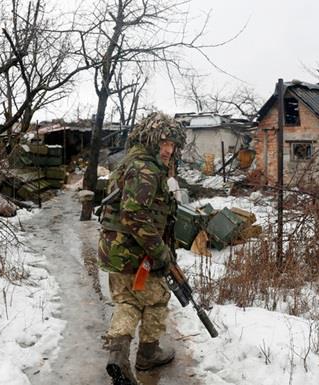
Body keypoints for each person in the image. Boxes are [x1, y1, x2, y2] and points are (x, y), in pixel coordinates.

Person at [97, 112, 186, 385]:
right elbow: (134, 214)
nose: (169, 149)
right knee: (157, 299)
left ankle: (118, 356)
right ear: (149, 139)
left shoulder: (131, 163)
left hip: (117, 251)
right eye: (164, 142)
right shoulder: (145, 169)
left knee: (127, 301)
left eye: (173, 144)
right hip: (136, 253)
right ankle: (148, 354)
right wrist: (160, 253)